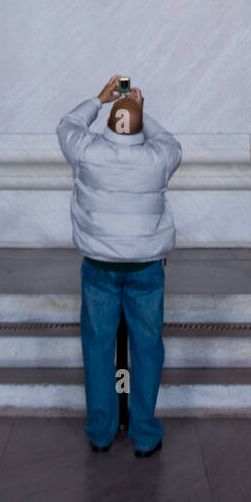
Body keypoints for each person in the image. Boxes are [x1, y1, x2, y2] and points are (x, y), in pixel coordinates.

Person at [56, 75, 182, 456]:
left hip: (99, 267)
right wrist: (141, 111)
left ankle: (101, 432)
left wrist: (101, 99)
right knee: (147, 349)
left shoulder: (87, 152)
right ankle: (144, 434)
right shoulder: (158, 159)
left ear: (109, 124)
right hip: (145, 270)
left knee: (97, 347)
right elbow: (171, 142)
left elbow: (67, 125)